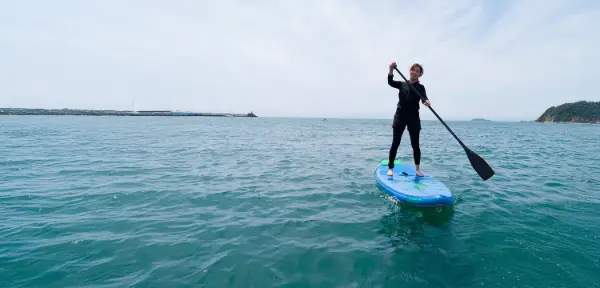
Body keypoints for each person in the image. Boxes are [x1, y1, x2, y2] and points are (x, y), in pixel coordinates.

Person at [386, 61, 431, 177]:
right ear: (410, 71)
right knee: (395, 143)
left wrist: (426, 101)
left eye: (417, 71)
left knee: (415, 144)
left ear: (420, 75)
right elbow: (390, 82)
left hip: (413, 118)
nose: (415, 72)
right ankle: (390, 167)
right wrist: (391, 69)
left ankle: (417, 169)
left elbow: (424, 98)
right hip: (400, 117)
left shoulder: (420, 87)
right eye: (413, 70)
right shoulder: (402, 84)